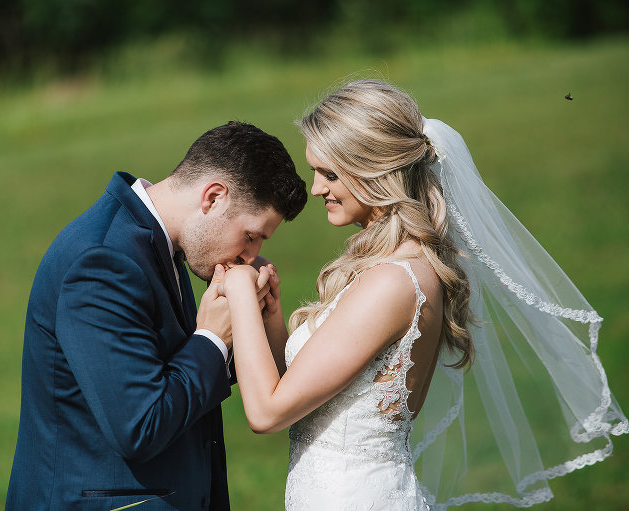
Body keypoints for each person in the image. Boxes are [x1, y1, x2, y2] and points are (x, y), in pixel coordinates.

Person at [217, 80, 628, 509]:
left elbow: (267, 413)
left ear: (374, 171)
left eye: (330, 174)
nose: (317, 188)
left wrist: (241, 291)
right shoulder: (395, 268)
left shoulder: (393, 282)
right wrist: (269, 313)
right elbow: (301, 389)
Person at [5, 121, 307, 511]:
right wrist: (212, 339)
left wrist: (261, 316)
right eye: (250, 236)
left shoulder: (160, 244)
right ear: (213, 197)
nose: (251, 256)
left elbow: (176, 371)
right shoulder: (102, 262)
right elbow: (139, 426)